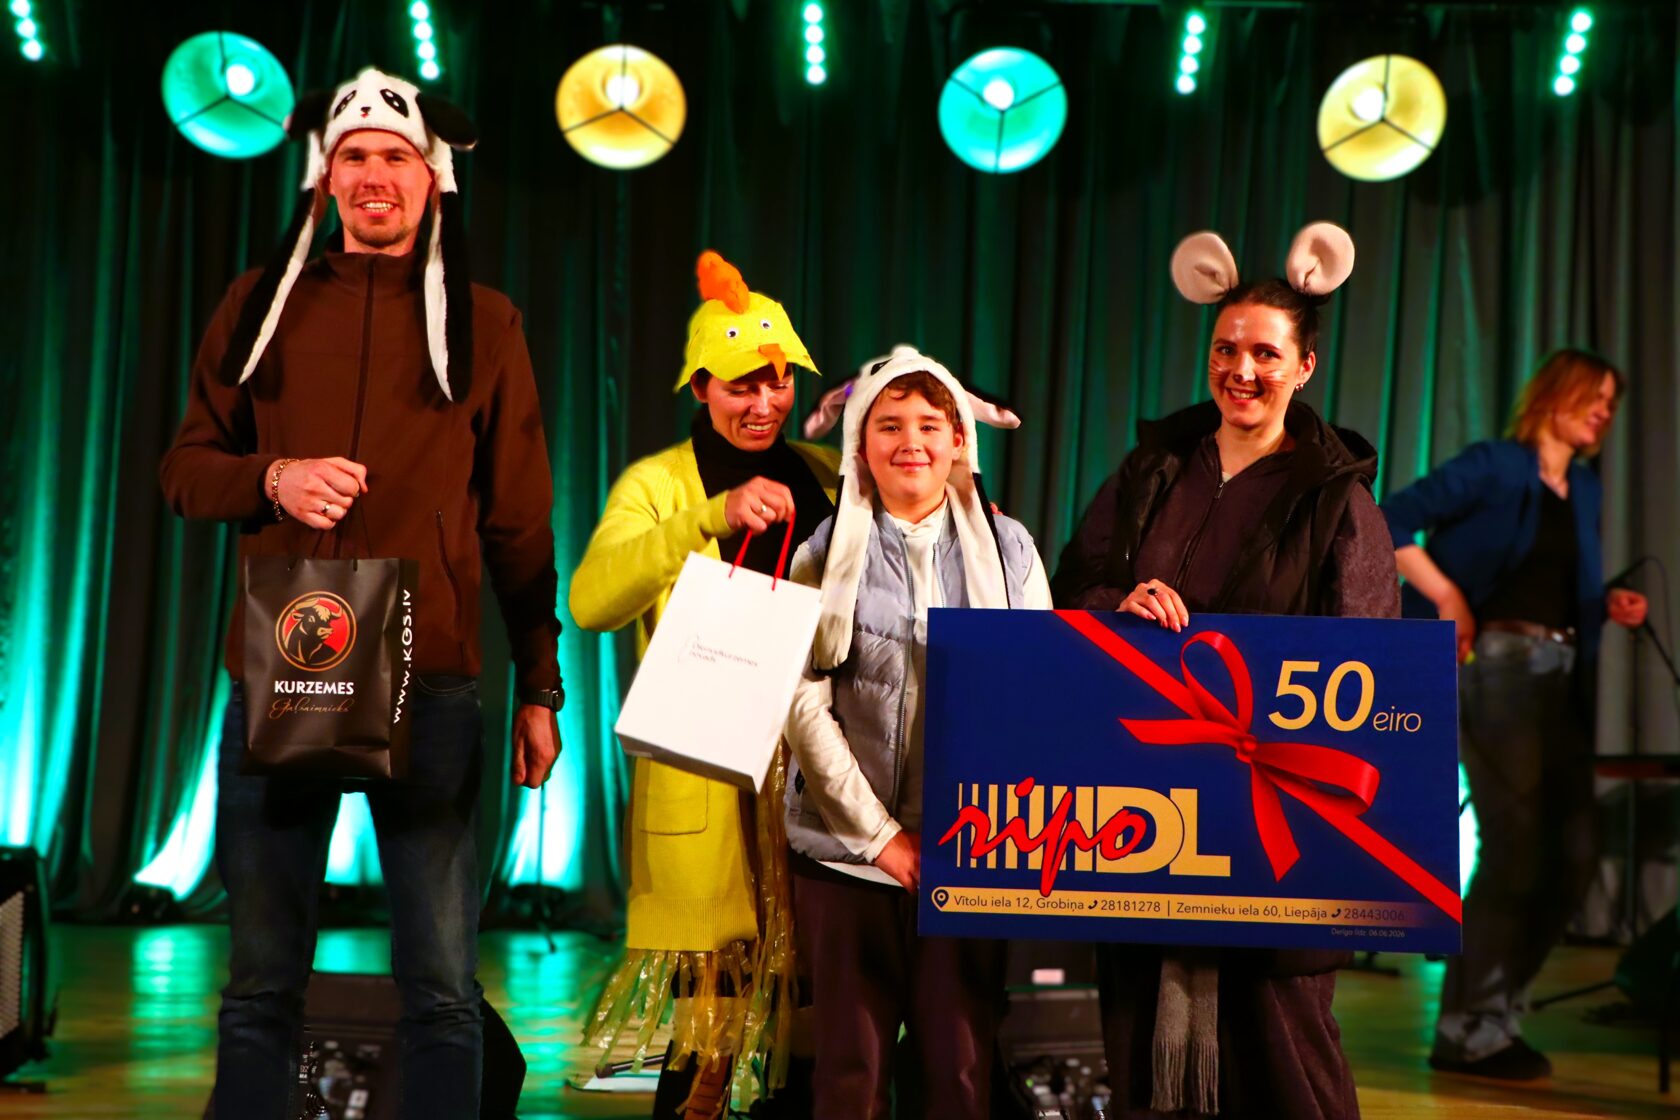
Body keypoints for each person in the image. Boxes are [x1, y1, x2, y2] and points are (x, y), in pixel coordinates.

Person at [159, 68, 563, 1120]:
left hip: (432, 677)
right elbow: (184, 470)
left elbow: (519, 522)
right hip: (287, 666)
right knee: (260, 983)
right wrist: (273, 479)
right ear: (326, 178)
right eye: (355, 157)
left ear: (433, 179)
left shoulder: (486, 323)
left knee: (442, 986)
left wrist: (540, 684)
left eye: (396, 157)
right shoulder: (258, 307)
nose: (376, 174)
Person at [1051, 225, 1397, 1119]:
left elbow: (1369, 660)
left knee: (1281, 1054)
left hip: (1273, 814)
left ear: (1304, 367)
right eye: (1226, 349)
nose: (1242, 370)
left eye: (1265, 353)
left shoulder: (1337, 500)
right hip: (1144, 801)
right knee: (1139, 1040)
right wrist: (1117, 604)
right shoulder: (1152, 470)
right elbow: (1073, 585)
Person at [572, 251, 838, 1118]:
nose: (763, 403)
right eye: (739, 386)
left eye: (777, 382)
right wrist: (706, 518)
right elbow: (592, 601)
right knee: (705, 1048)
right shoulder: (659, 485)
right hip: (709, 778)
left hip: (813, 777)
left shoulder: (828, 476)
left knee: (807, 1038)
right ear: (699, 387)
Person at [783, 347, 1051, 1118]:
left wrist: (979, 836)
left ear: (960, 439)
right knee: (849, 1079)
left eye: (931, 425)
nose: (911, 442)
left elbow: (1035, 693)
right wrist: (882, 840)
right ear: (859, 444)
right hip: (844, 858)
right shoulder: (820, 552)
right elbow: (802, 707)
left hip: (969, 857)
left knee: (959, 1078)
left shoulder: (1010, 549)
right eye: (889, 424)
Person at [1381, 349, 1648, 1080]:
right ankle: (1468, 1033)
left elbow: (1555, 586)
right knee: (1516, 847)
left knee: (1575, 854)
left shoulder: (1583, 487)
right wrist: (1448, 597)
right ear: (1555, 395)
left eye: (1612, 402)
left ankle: (1496, 1017)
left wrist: (1607, 603)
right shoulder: (1496, 464)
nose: (1605, 412)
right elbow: (1390, 518)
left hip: (1565, 674)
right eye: (1595, 396)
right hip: (1498, 668)